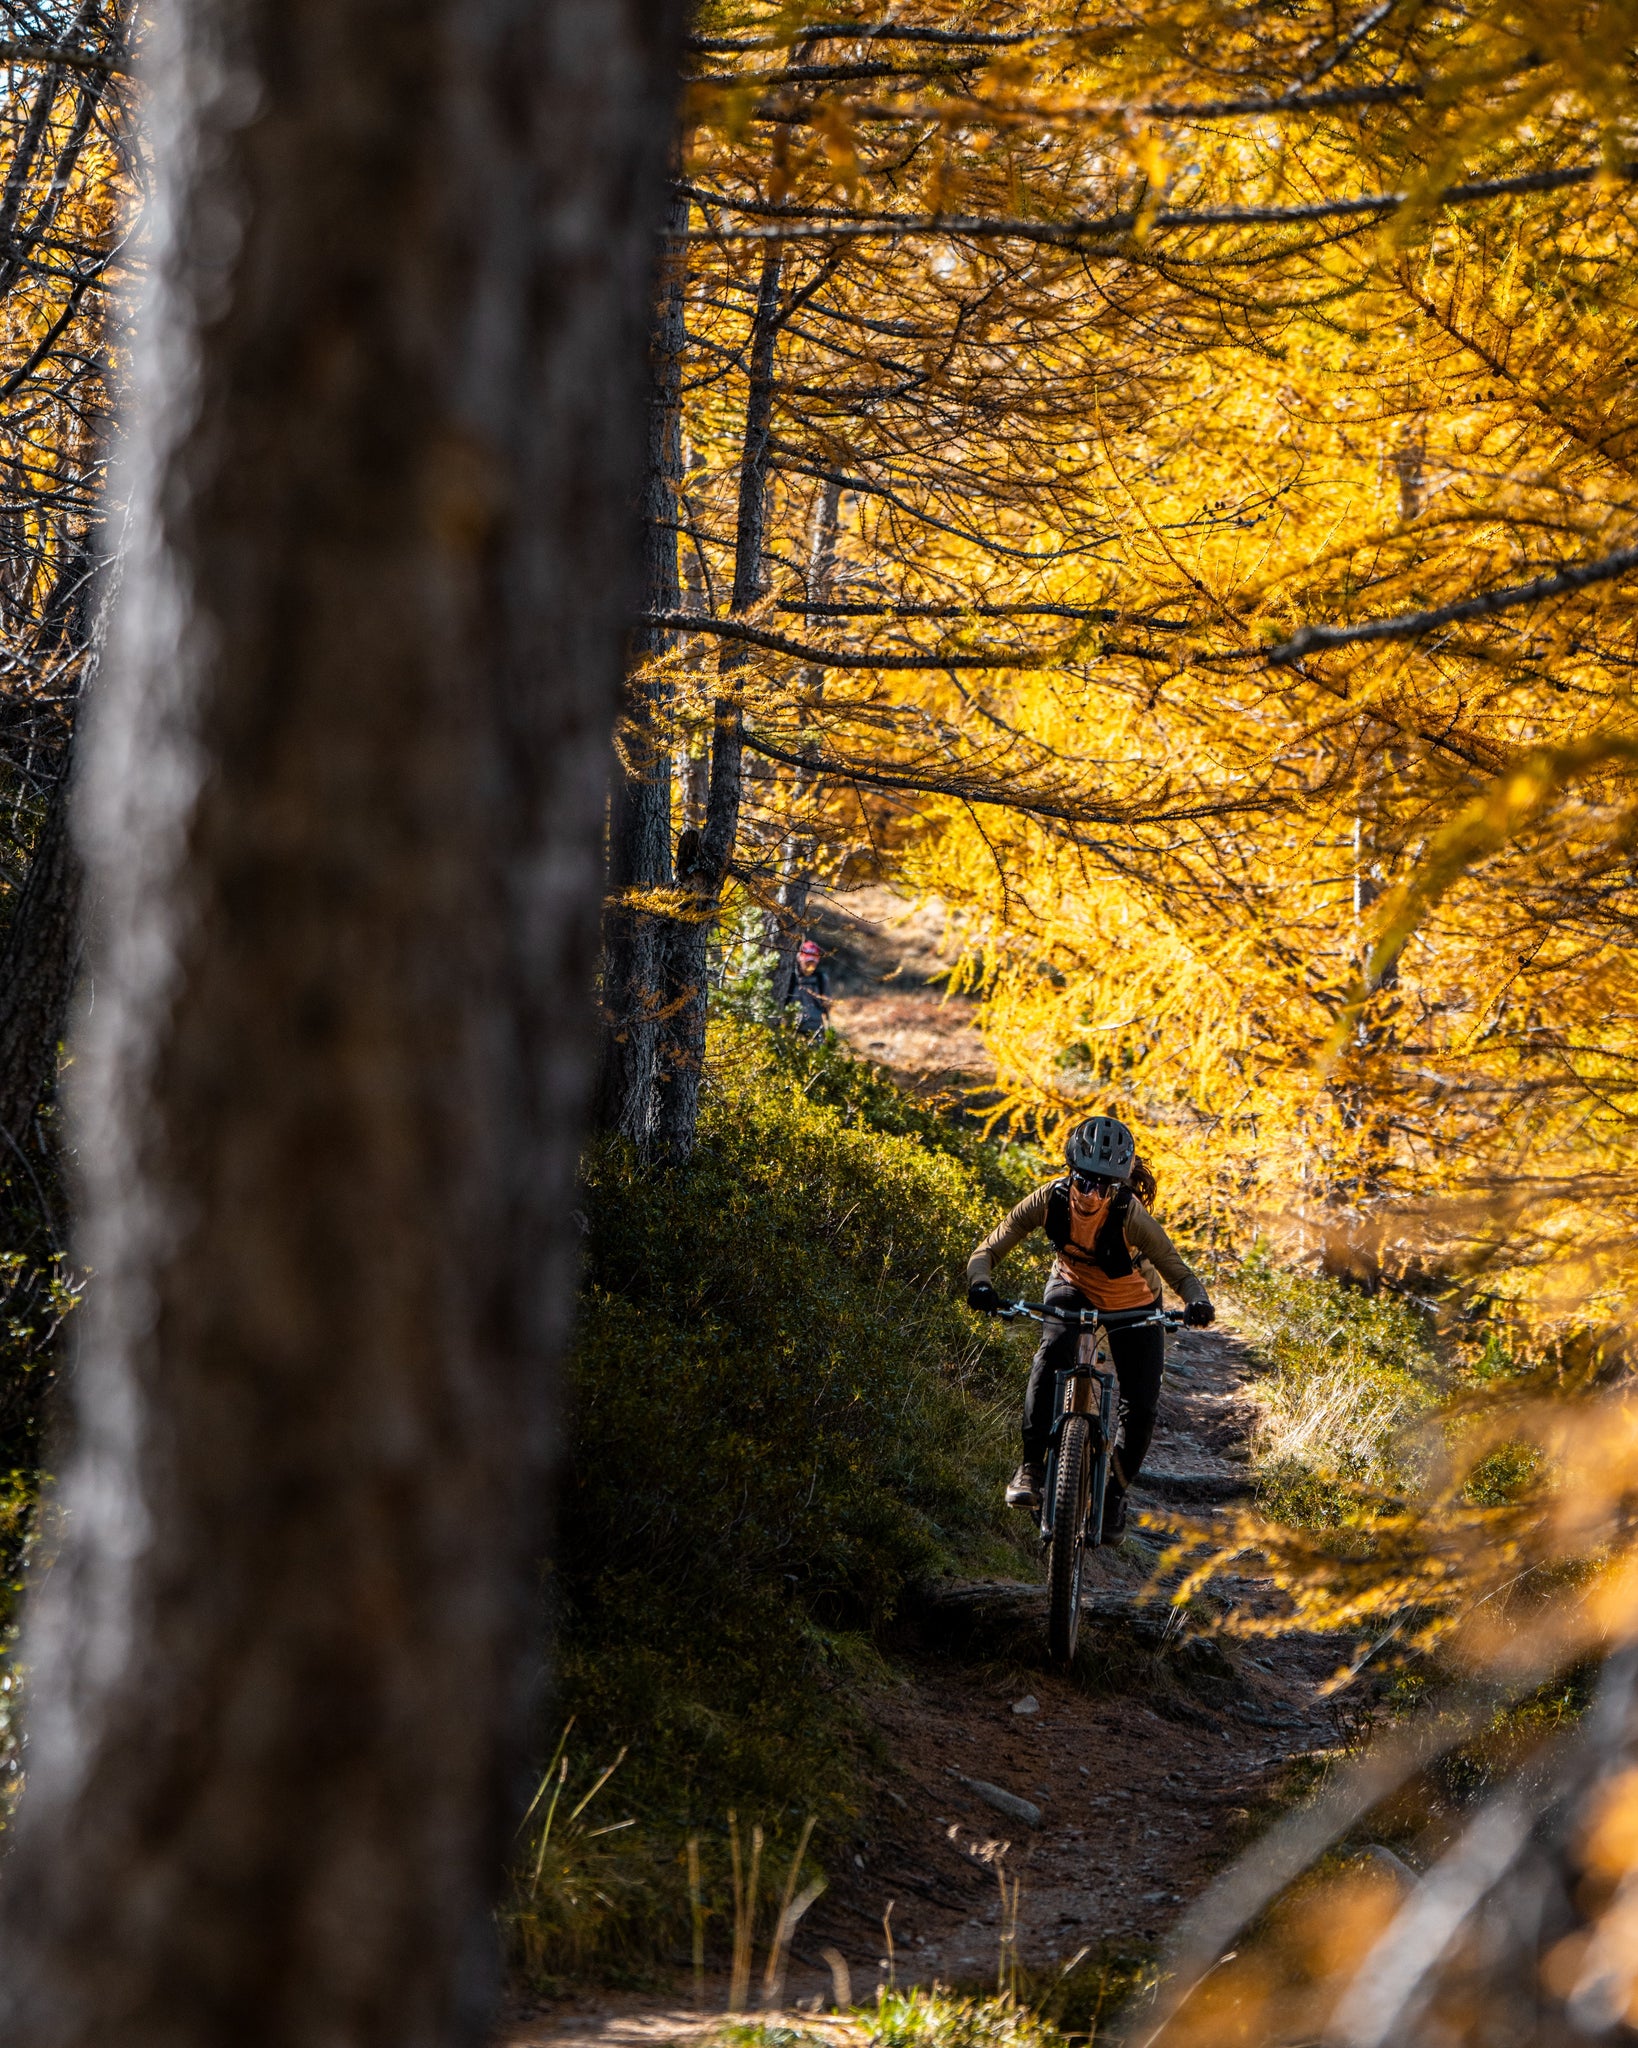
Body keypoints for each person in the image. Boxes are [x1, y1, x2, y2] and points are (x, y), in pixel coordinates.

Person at [965, 1113, 1215, 1537]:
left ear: (1116, 1186)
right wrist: (981, 1283)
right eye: (1083, 1180)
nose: (1090, 1194)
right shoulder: (1049, 1200)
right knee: (1050, 1357)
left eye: (1103, 1185)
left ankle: (1115, 1493)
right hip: (1071, 1287)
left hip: (1135, 1304)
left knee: (1141, 1406)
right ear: (1070, 1173)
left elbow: (1179, 1271)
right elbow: (989, 1247)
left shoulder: (1130, 1215)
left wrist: (1197, 1301)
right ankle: (1030, 1469)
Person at [784, 936, 832, 1039]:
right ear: (799, 958)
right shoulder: (790, 978)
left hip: (815, 1029)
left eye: (812, 963)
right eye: (807, 962)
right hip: (791, 1029)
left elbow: (827, 1004)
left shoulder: (821, 979)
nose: (810, 967)